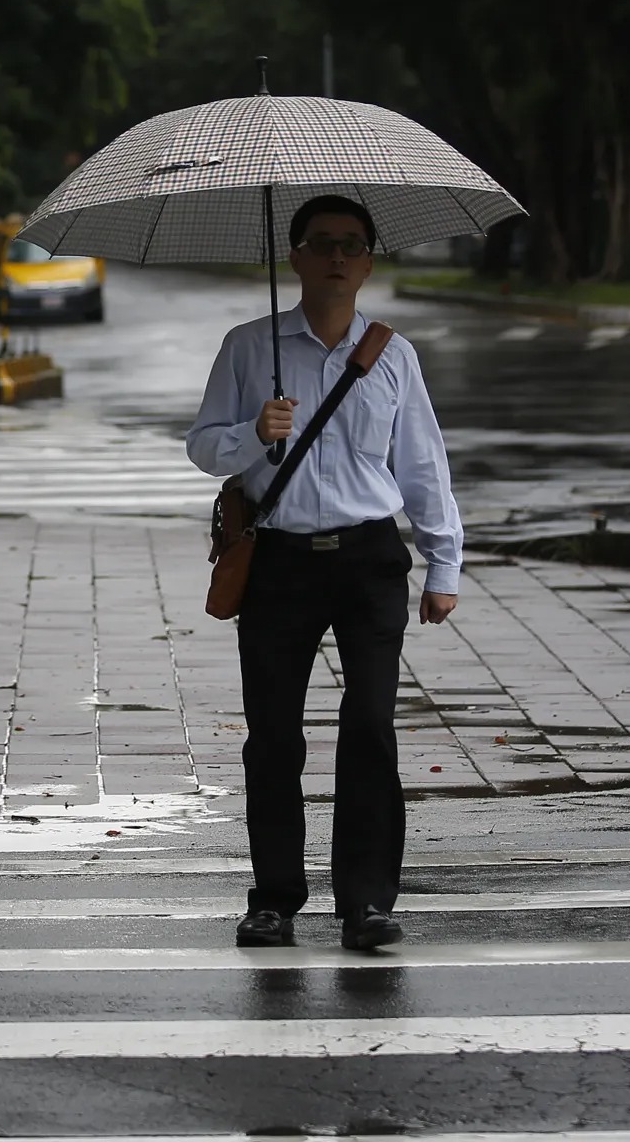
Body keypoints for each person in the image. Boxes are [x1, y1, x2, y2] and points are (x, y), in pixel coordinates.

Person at [184, 194, 463, 952]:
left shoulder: (392, 356)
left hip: (369, 560)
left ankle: (366, 902)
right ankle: (274, 897)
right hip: (277, 560)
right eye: (321, 244)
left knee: (370, 727)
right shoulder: (249, 348)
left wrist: (445, 563)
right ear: (296, 258)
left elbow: (422, 465)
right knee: (274, 736)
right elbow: (203, 447)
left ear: (369, 262)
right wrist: (252, 432)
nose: (337, 257)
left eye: (351, 245)